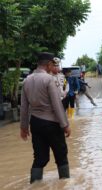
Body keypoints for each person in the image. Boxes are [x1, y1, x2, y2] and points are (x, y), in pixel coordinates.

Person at [20, 52, 71, 184]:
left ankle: (35, 185)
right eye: (51, 64)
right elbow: (57, 105)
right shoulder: (49, 79)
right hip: (52, 123)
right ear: (48, 64)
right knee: (61, 155)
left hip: (35, 123)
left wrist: (23, 127)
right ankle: (65, 184)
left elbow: (24, 107)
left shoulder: (27, 80)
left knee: (40, 157)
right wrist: (65, 125)